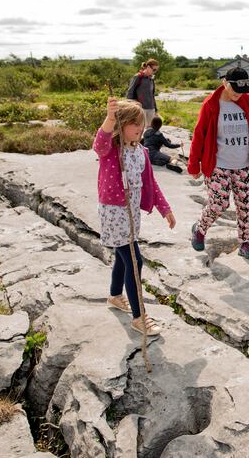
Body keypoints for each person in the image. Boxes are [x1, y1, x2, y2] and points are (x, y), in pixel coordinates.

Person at [94, 97, 176, 335]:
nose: (140, 128)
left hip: (131, 215)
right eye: (133, 123)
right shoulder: (111, 151)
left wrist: (165, 209)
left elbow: (151, 183)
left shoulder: (141, 151)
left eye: (141, 123)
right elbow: (99, 143)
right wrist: (109, 118)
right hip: (114, 213)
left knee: (122, 257)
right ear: (121, 125)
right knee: (134, 260)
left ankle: (115, 296)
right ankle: (140, 317)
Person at [188, 67, 249, 259]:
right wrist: (194, 165)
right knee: (219, 203)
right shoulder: (211, 104)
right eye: (235, 91)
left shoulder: (248, 101)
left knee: (246, 204)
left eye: (242, 92)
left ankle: (245, 243)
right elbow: (199, 135)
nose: (239, 95)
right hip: (218, 163)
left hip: (243, 164)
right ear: (225, 84)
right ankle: (200, 229)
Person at [126, 59, 159, 128]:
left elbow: (152, 95)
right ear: (148, 67)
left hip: (151, 108)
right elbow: (130, 93)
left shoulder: (151, 79)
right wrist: (133, 107)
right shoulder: (138, 77)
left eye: (156, 70)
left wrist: (155, 109)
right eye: (154, 70)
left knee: (151, 130)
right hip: (141, 108)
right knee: (140, 129)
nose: (155, 72)